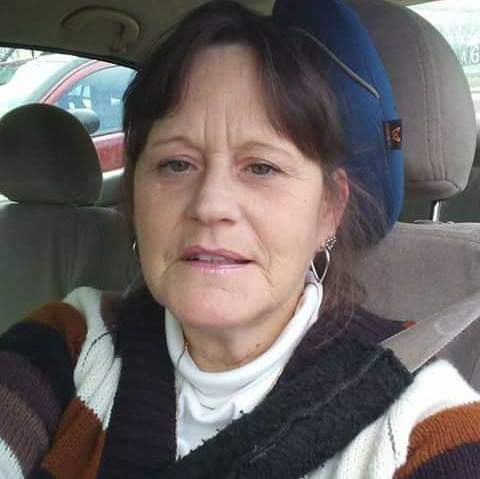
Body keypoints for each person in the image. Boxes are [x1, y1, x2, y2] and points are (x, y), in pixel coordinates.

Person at [1, 1, 479, 478]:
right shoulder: (70, 341)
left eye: (261, 167)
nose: (210, 204)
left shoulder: (416, 416)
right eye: (176, 164)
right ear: (135, 197)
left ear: (328, 211)